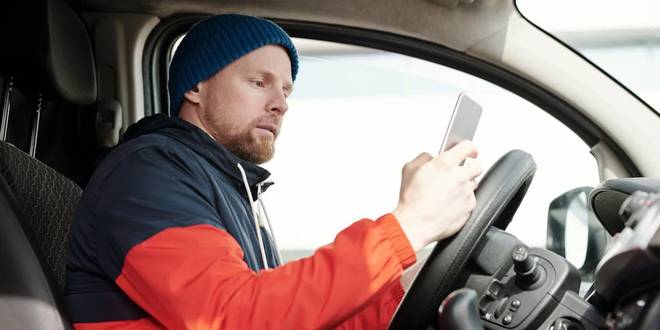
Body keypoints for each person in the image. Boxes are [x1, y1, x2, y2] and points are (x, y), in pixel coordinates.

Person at [64, 14, 481, 329]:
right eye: (259, 82)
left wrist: (405, 285)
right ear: (195, 87)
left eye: (285, 89)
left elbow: (285, 314)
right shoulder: (145, 175)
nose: (281, 103)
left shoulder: (229, 187)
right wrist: (406, 227)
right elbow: (233, 316)